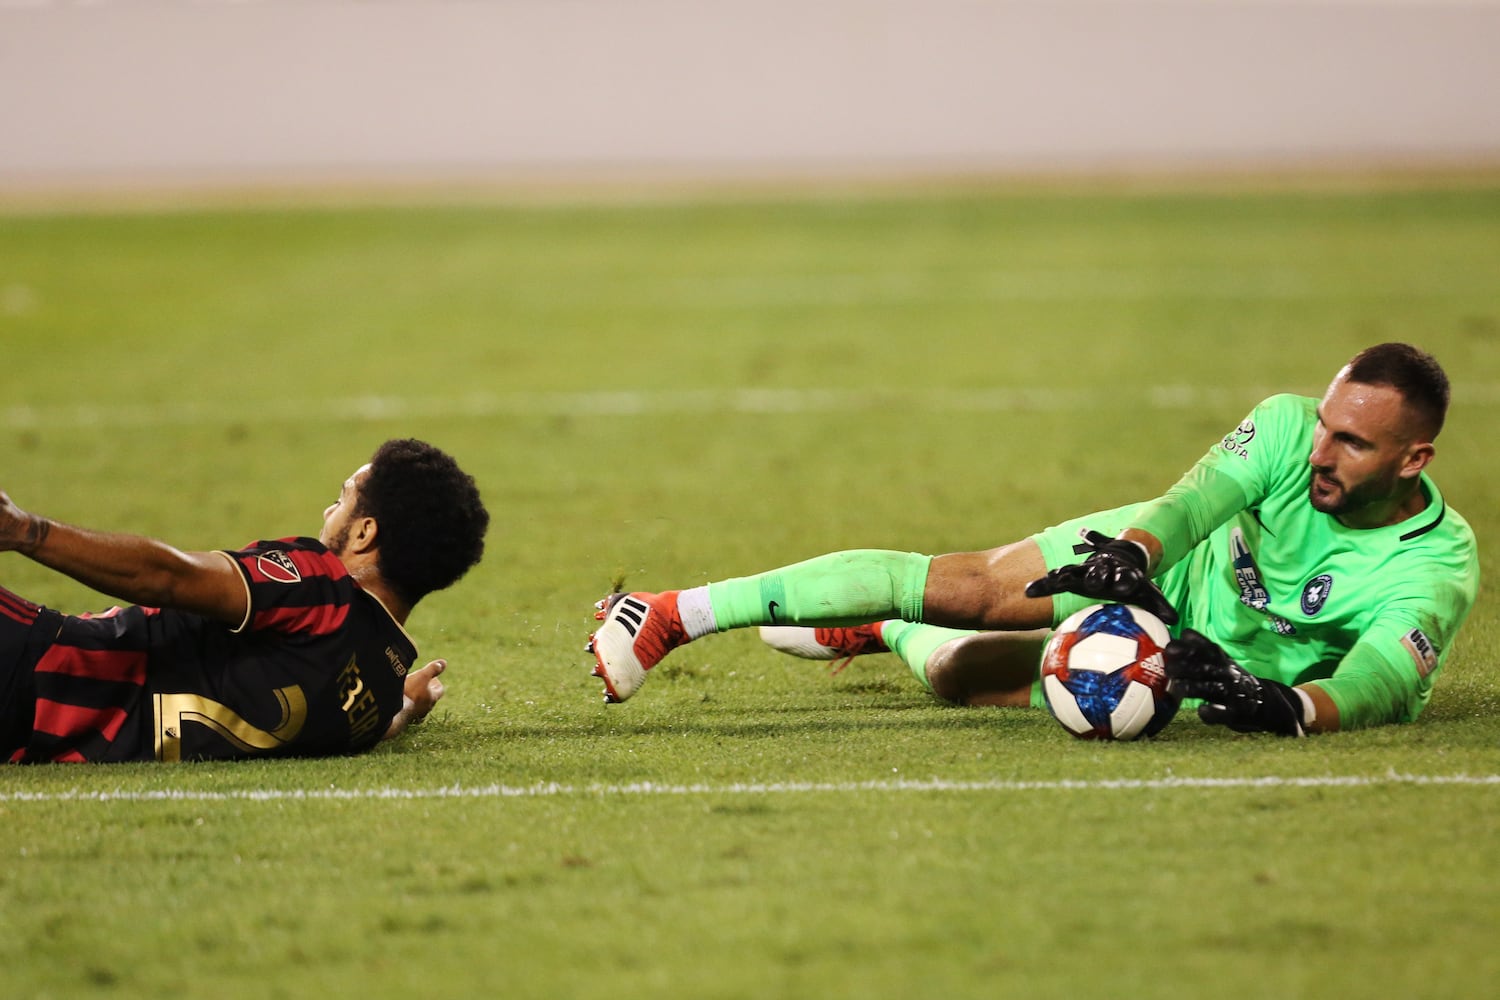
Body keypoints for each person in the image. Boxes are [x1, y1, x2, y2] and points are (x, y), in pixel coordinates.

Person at [588, 343, 1478, 735]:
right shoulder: (1288, 430)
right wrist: (1132, 552)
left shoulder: (1435, 565)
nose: (1323, 452)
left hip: (1225, 683)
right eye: (1327, 426)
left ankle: (881, 632)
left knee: (957, 677)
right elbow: (1195, 501)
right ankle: (670, 612)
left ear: (1414, 457)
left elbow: (1379, 682)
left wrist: (1291, 709)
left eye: (1354, 443)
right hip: (1154, 575)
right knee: (976, 586)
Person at [1, 438, 489, 762]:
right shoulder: (377, 692)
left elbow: (166, 577)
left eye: (342, 498)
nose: (328, 509)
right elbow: (383, 723)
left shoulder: (323, 592)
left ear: (364, 532)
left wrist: (26, 531)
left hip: (37, 664)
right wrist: (409, 705)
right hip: (44, 737)